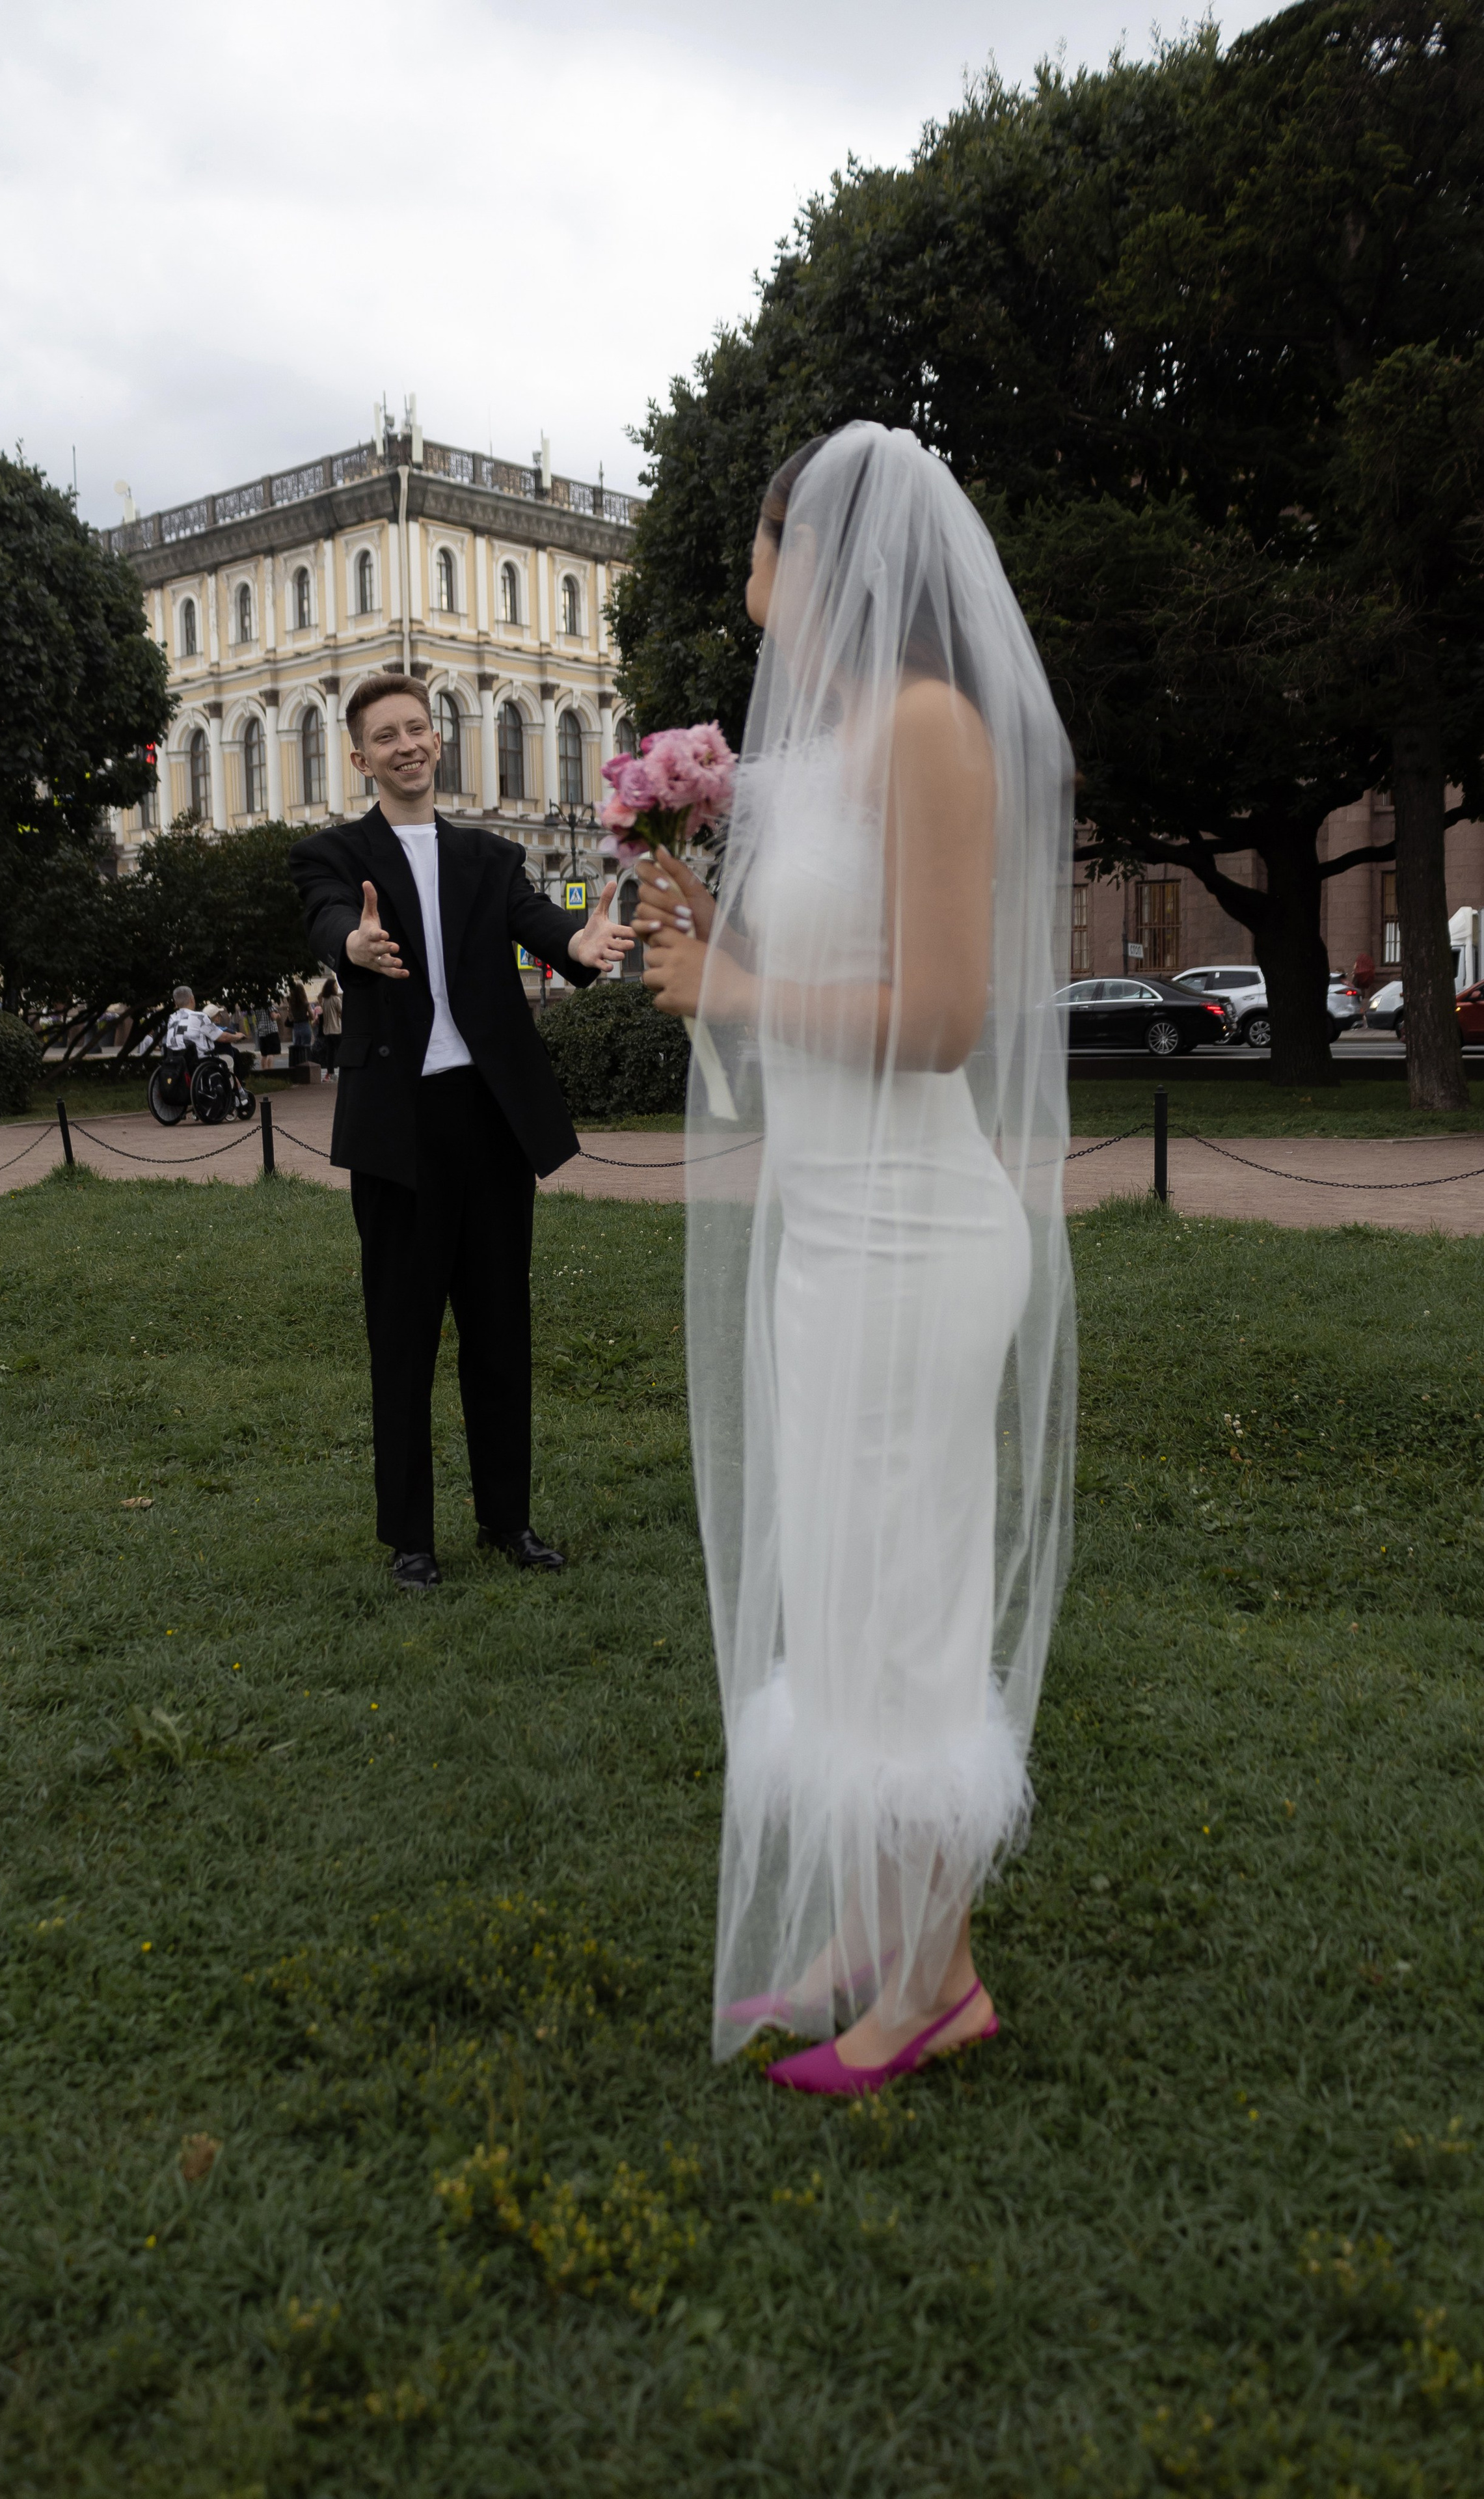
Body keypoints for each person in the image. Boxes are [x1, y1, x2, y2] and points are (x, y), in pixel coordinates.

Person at [637, 426, 1075, 2096]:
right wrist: (700, 928)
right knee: (829, 1583)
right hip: (823, 1225)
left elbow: (944, 1018)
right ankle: (858, 1935)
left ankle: (937, 1976)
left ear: (808, 550)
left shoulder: (928, 730)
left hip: (913, 1233)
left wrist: (734, 996)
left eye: (757, 549)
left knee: (899, 1599)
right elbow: (799, 980)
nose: (744, 587)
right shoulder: (820, 747)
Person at [288, 672, 633, 1592]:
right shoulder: (333, 853)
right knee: (402, 1335)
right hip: (399, 1126)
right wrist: (352, 950)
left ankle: (508, 1521)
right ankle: (410, 1537)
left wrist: (581, 944)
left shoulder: (485, 855)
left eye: (417, 729)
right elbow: (329, 922)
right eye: (384, 737)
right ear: (359, 758)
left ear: (436, 742)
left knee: (498, 1325)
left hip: (490, 1120)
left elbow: (538, 923)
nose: (406, 745)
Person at [317, 974, 343, 1078]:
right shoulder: (336, 999)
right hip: (336, 1029)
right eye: (335, 986)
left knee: (330, 1052)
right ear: (332, 988)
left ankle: (330, 1072)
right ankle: (343, 1068)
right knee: (341, 1050)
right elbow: (341, 1012)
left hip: (327, 1030)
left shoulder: (325, 1000)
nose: (337, 987)